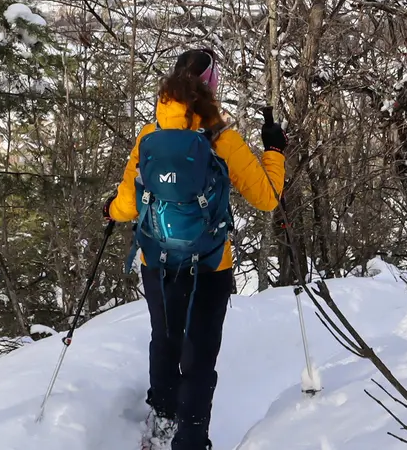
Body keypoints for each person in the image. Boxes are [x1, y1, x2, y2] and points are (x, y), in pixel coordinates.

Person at [106, 48, 287, 450]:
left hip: (156, 259)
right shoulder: (222, 138)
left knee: (164, 337)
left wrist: (110, 209)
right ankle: (190, 438)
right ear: (210, 90)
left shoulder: (149, 135)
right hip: (209, 264)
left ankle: (163, 416)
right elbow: (268, 196)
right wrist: (274, 150)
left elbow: (129, 204)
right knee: (200, 351)